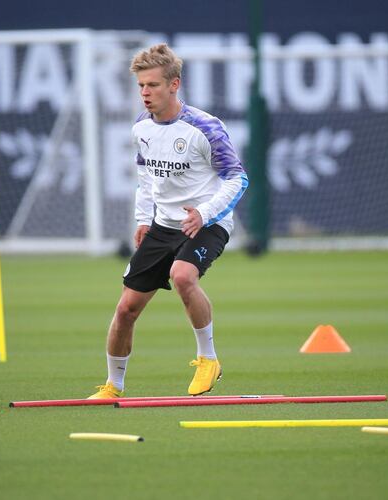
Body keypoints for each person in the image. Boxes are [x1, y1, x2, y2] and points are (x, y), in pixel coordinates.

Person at [88, 43, 248, 399]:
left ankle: (208, 359)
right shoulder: (141, 127)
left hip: (208, 223)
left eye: (153, 85)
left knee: (182, 275)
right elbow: (147, 177)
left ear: (174, 84)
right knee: (126, 309)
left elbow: (238, 179)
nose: (145, 93)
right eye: (141, 86)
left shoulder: (205, 127)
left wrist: (205, 213)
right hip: (163, 226)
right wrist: (144, 218)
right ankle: (114, 386)